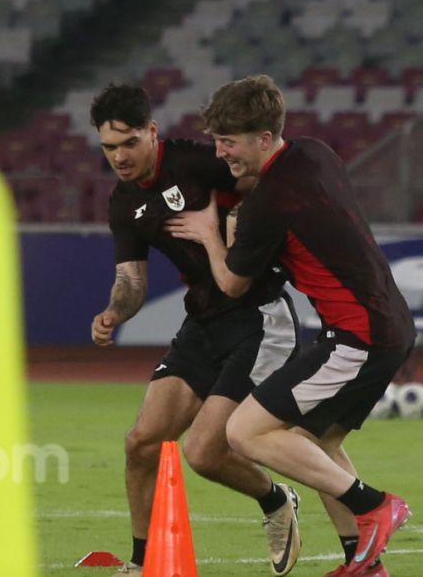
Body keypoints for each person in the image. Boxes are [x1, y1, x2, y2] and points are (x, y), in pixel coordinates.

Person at [166, 74, 414, 577]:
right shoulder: (315, 153)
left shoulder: (268, 203)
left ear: (263, 138)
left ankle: (374, 505)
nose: (221, 153)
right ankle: (363, 566)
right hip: (385, 323)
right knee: (314, 444)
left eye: (229, 142)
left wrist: (213, 237)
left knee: (245, 432)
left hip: (357, 335)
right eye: (217, 140)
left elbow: (233, 284)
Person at [89, 83, 309, 576]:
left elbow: (265, 181)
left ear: (151, 131)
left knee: (204, 451)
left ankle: (275, 499)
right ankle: (143, 563)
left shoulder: (194, 162)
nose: (119, 157)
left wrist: (235, 219)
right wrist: (113, 313)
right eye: (109, 147)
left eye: (128, 143)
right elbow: (132, 280)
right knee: (141, 442)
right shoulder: (124, 203)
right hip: (204, 322)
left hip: (258, 317)